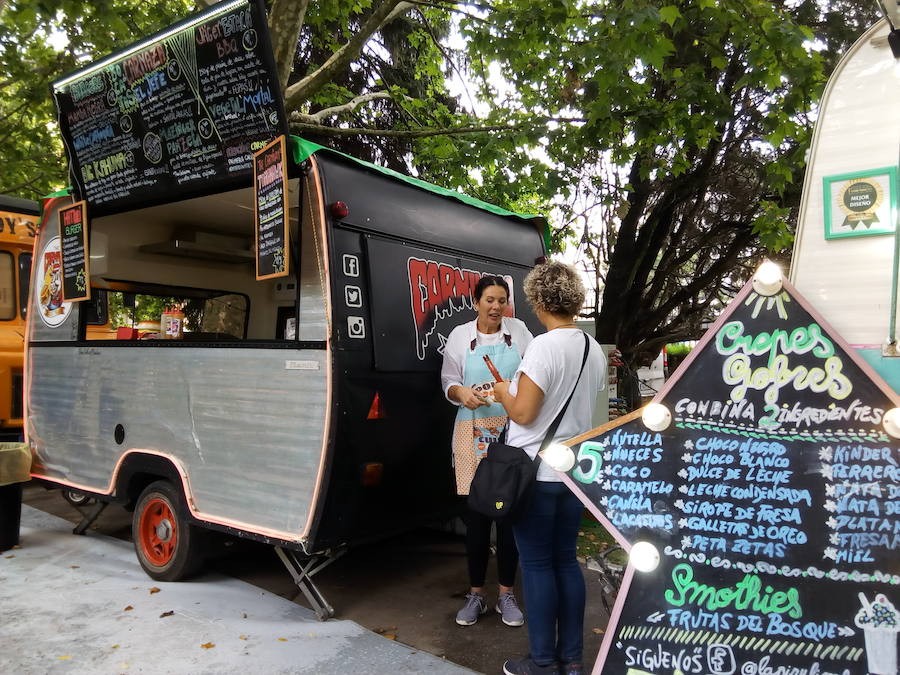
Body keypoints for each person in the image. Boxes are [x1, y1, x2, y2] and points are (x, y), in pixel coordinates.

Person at [493, 261, 606, 675]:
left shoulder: (544, 346)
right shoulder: (592, 347)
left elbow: (523, 413)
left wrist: (505, 391)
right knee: (565, 562)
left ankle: (542, 662)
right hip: (573, 474)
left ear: (539, 300)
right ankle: (572, 661)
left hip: (535, 475)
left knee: (538, 566)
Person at [440, 275, 533, 628]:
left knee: (508, 517)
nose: (496, 307)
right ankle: (476, 594)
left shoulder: (521, 331)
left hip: (512, 433)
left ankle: (506, 594)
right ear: (476, 301)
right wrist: (460, 393)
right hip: (471, 431)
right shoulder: (460, 336)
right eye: (489, 300)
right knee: (476, 519)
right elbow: (448, 380)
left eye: (502, 300)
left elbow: (535, 375)